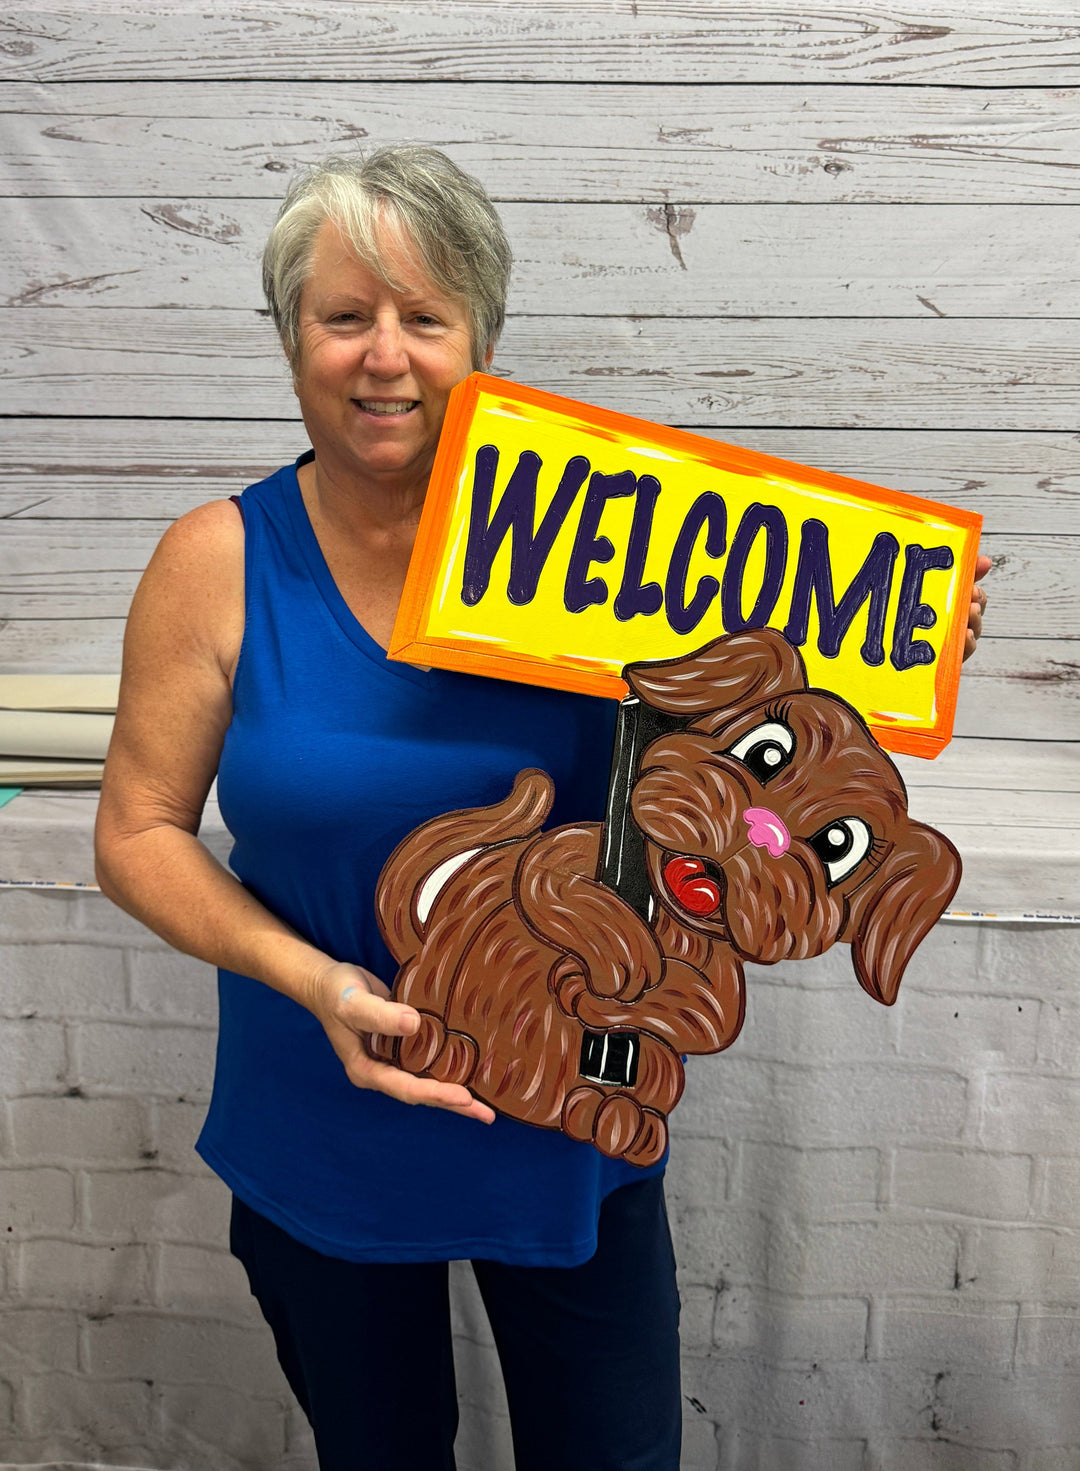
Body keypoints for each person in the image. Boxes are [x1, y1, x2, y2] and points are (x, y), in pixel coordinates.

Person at [94, 145, 990, 1471]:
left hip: (577, 1124)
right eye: (345, 317)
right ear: (294, 340)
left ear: (483, 342)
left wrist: (896, 647)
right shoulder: (216, 561)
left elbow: (768, 757)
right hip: (321, 1123)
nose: (384, 356)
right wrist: (316, 982)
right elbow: (138, 831)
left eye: (424, 317)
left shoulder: (618, 556)